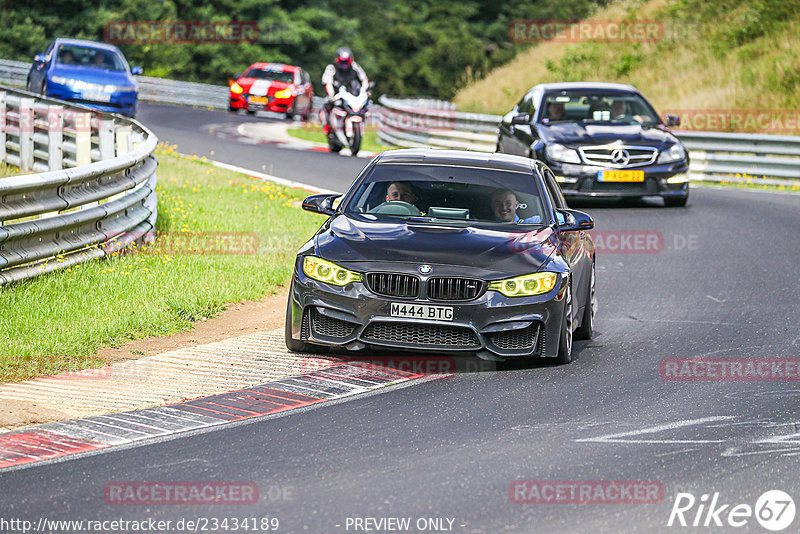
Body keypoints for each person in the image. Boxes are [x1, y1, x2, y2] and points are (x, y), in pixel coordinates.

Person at [320, 47, 370, 133]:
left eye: (346, 61)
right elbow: (327, 82)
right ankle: (327, 126)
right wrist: (331, 94)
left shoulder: (355, 66)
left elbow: (364, 79)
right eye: (342, 61)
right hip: (336, 94)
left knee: (365, 106)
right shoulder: (331, 68)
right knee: (327, 105)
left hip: (351, 95)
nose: (344, 64)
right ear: (337, 59)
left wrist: (365, 89)